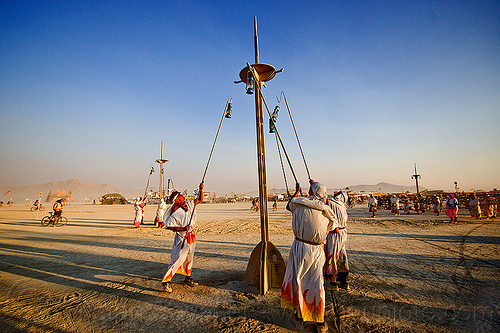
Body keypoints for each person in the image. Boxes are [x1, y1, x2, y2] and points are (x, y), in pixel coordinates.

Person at [281, 181, 338, 333]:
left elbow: (290, 205)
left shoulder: (297, 203)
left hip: (299, 247)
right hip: (316, 249)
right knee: (316, 282)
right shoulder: (326, 209)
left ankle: (300, 317)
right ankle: (318, 319)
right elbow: (333, 224)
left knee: (298, 280)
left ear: (310, 192)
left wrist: (297, 193)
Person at [161, 182, 204, 293]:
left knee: (190, 257)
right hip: (182, 238)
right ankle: (166, 280)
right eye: (180, 195)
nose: (182, 195)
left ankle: (187, 277)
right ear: (176, 199)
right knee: (179, 258)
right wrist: (183, 228)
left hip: (191, 236)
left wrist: (201, 189)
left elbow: (199, 200)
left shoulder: (189, 203)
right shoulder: (174, 212)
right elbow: (170, 227)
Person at [324, 191, 350, 291]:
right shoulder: (342, 206)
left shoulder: (332, 203)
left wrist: (314, 186)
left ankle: (333, 282)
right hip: (343, 234)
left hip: (334, 234)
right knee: (341, 256)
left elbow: (322, 199)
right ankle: (344, 281)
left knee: (332, 256)